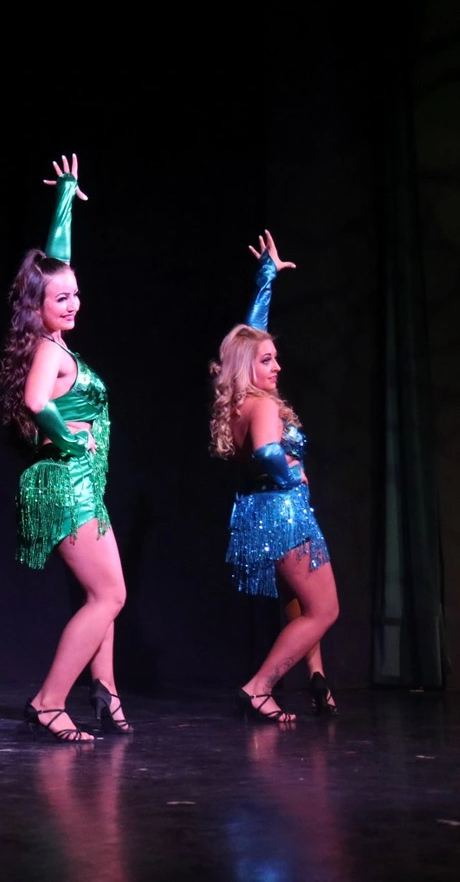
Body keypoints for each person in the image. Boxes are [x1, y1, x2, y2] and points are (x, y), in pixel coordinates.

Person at [0, 154, 131, 742]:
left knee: (104, 595)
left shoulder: (54, 342)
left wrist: (64, 200)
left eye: (76, 295)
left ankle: (106, 693)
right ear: (39, 307)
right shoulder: (49, 349)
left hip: (82, 486)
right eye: (61, 299)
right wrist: (71, 436)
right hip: (67, 484)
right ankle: (49, 702)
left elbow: (56, 265)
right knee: (109, 595)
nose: (73, 303)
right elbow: (35, 402)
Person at [209, 229, 339, 722]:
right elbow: (266, 452)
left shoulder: (239, 401)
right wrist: (291, 476)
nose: (277, 366)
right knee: (325, 610)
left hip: (259, 513)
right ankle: (259, 687)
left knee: (302, 604)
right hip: (283, 513)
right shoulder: (262, 405)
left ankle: (310, 680)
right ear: (249, 367)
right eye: (269, 361)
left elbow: (251, 340)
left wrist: (265, 279)